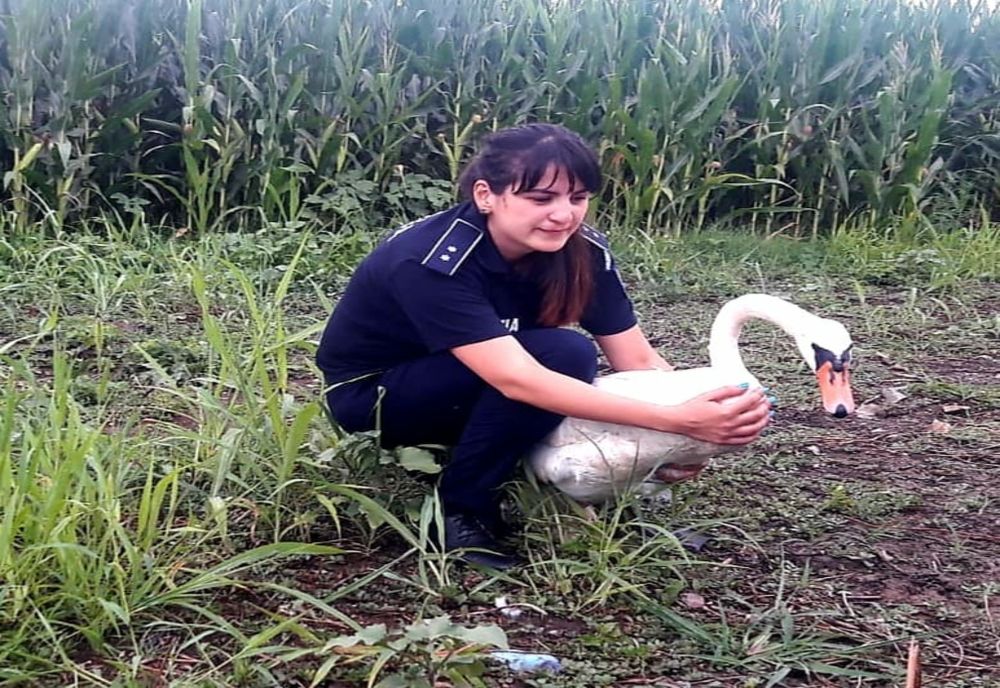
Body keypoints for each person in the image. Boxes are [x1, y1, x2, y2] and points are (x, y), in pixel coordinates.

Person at [316, 123, 771, 570]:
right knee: (563, 354)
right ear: (485, 196)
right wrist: (674, 419)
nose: (564, 214)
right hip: (377, 397)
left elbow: (637, 361)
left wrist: (675, 440)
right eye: (540, 198)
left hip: (485, 378)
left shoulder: (583, 253)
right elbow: (517, 378)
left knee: (565, 363)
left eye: (578, 198)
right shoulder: (430, 261)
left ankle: (585, 498)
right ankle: (460, 512)